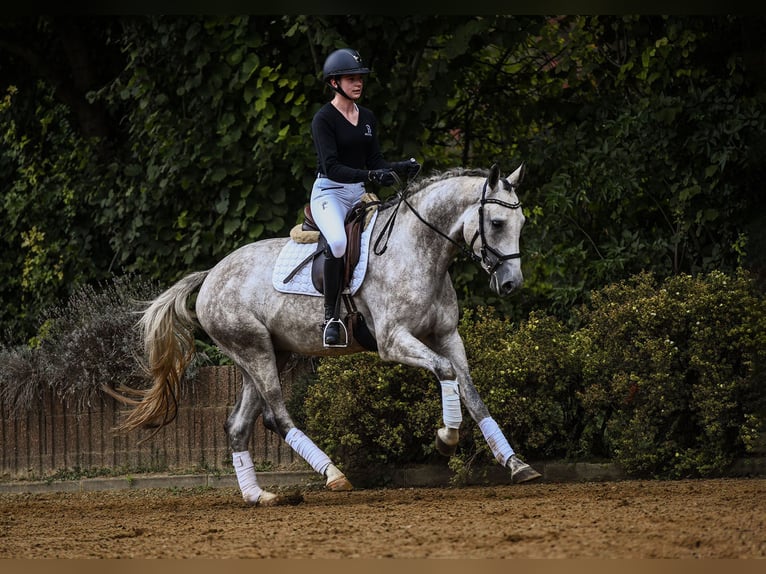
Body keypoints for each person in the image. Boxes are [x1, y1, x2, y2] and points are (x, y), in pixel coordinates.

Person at [310, 47, 420, 347]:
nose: (358, 83)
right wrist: (371, 176)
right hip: (329, 193)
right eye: (350, 78)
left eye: (360, 78)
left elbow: (376, 161)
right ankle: (330, 317)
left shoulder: (367, 117)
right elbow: (332, 167)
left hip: (358, 193)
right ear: (334, 83)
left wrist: (400, 168)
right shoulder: (324, 119)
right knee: (337, 242)